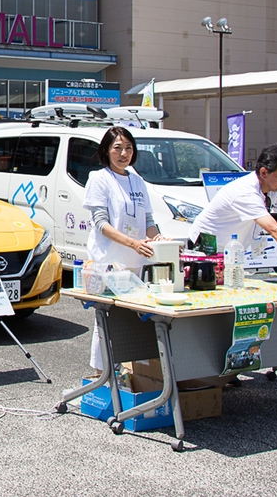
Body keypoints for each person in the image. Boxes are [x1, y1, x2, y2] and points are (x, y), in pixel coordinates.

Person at [189, 143, 277, 283]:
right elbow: (273, 229)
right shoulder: (245, 191)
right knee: (212, 288)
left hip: (234, 250)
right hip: (207, 248)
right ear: (264, 172)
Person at [83, 126, 162, 373]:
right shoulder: (99, 178)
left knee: (134, 317)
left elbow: (148, 220)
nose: (123, 153)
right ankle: (101, 375)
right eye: (117, 147)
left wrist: (157, 238)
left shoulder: (137, 180)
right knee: (106, 320)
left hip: (135, 261)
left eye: (128, 148)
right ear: (106, 151)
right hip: (108, 261)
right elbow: (101, 223)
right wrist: (133, 243)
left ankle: (133, 374)